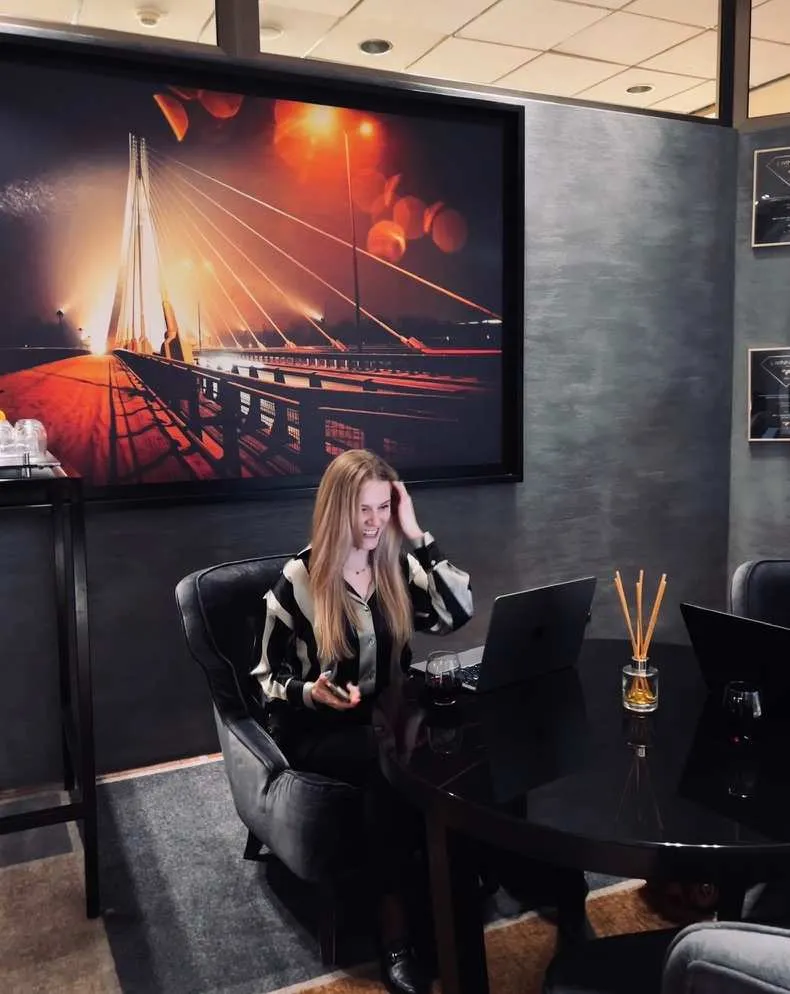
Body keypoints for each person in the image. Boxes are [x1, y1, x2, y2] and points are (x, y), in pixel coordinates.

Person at [251, 448, 473, 994]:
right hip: (318, 729)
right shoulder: (299, 580)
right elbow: (264, 678)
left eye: (383, 508)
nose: (375, 523)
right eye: (363, 510)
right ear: (338, 510)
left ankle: (453, 897)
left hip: (387, 717)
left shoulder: (396, 566)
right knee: (387, 769)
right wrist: (310, 692)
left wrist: (417, 533)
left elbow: (457, 613)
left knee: (457, 739)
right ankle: (395, 934)